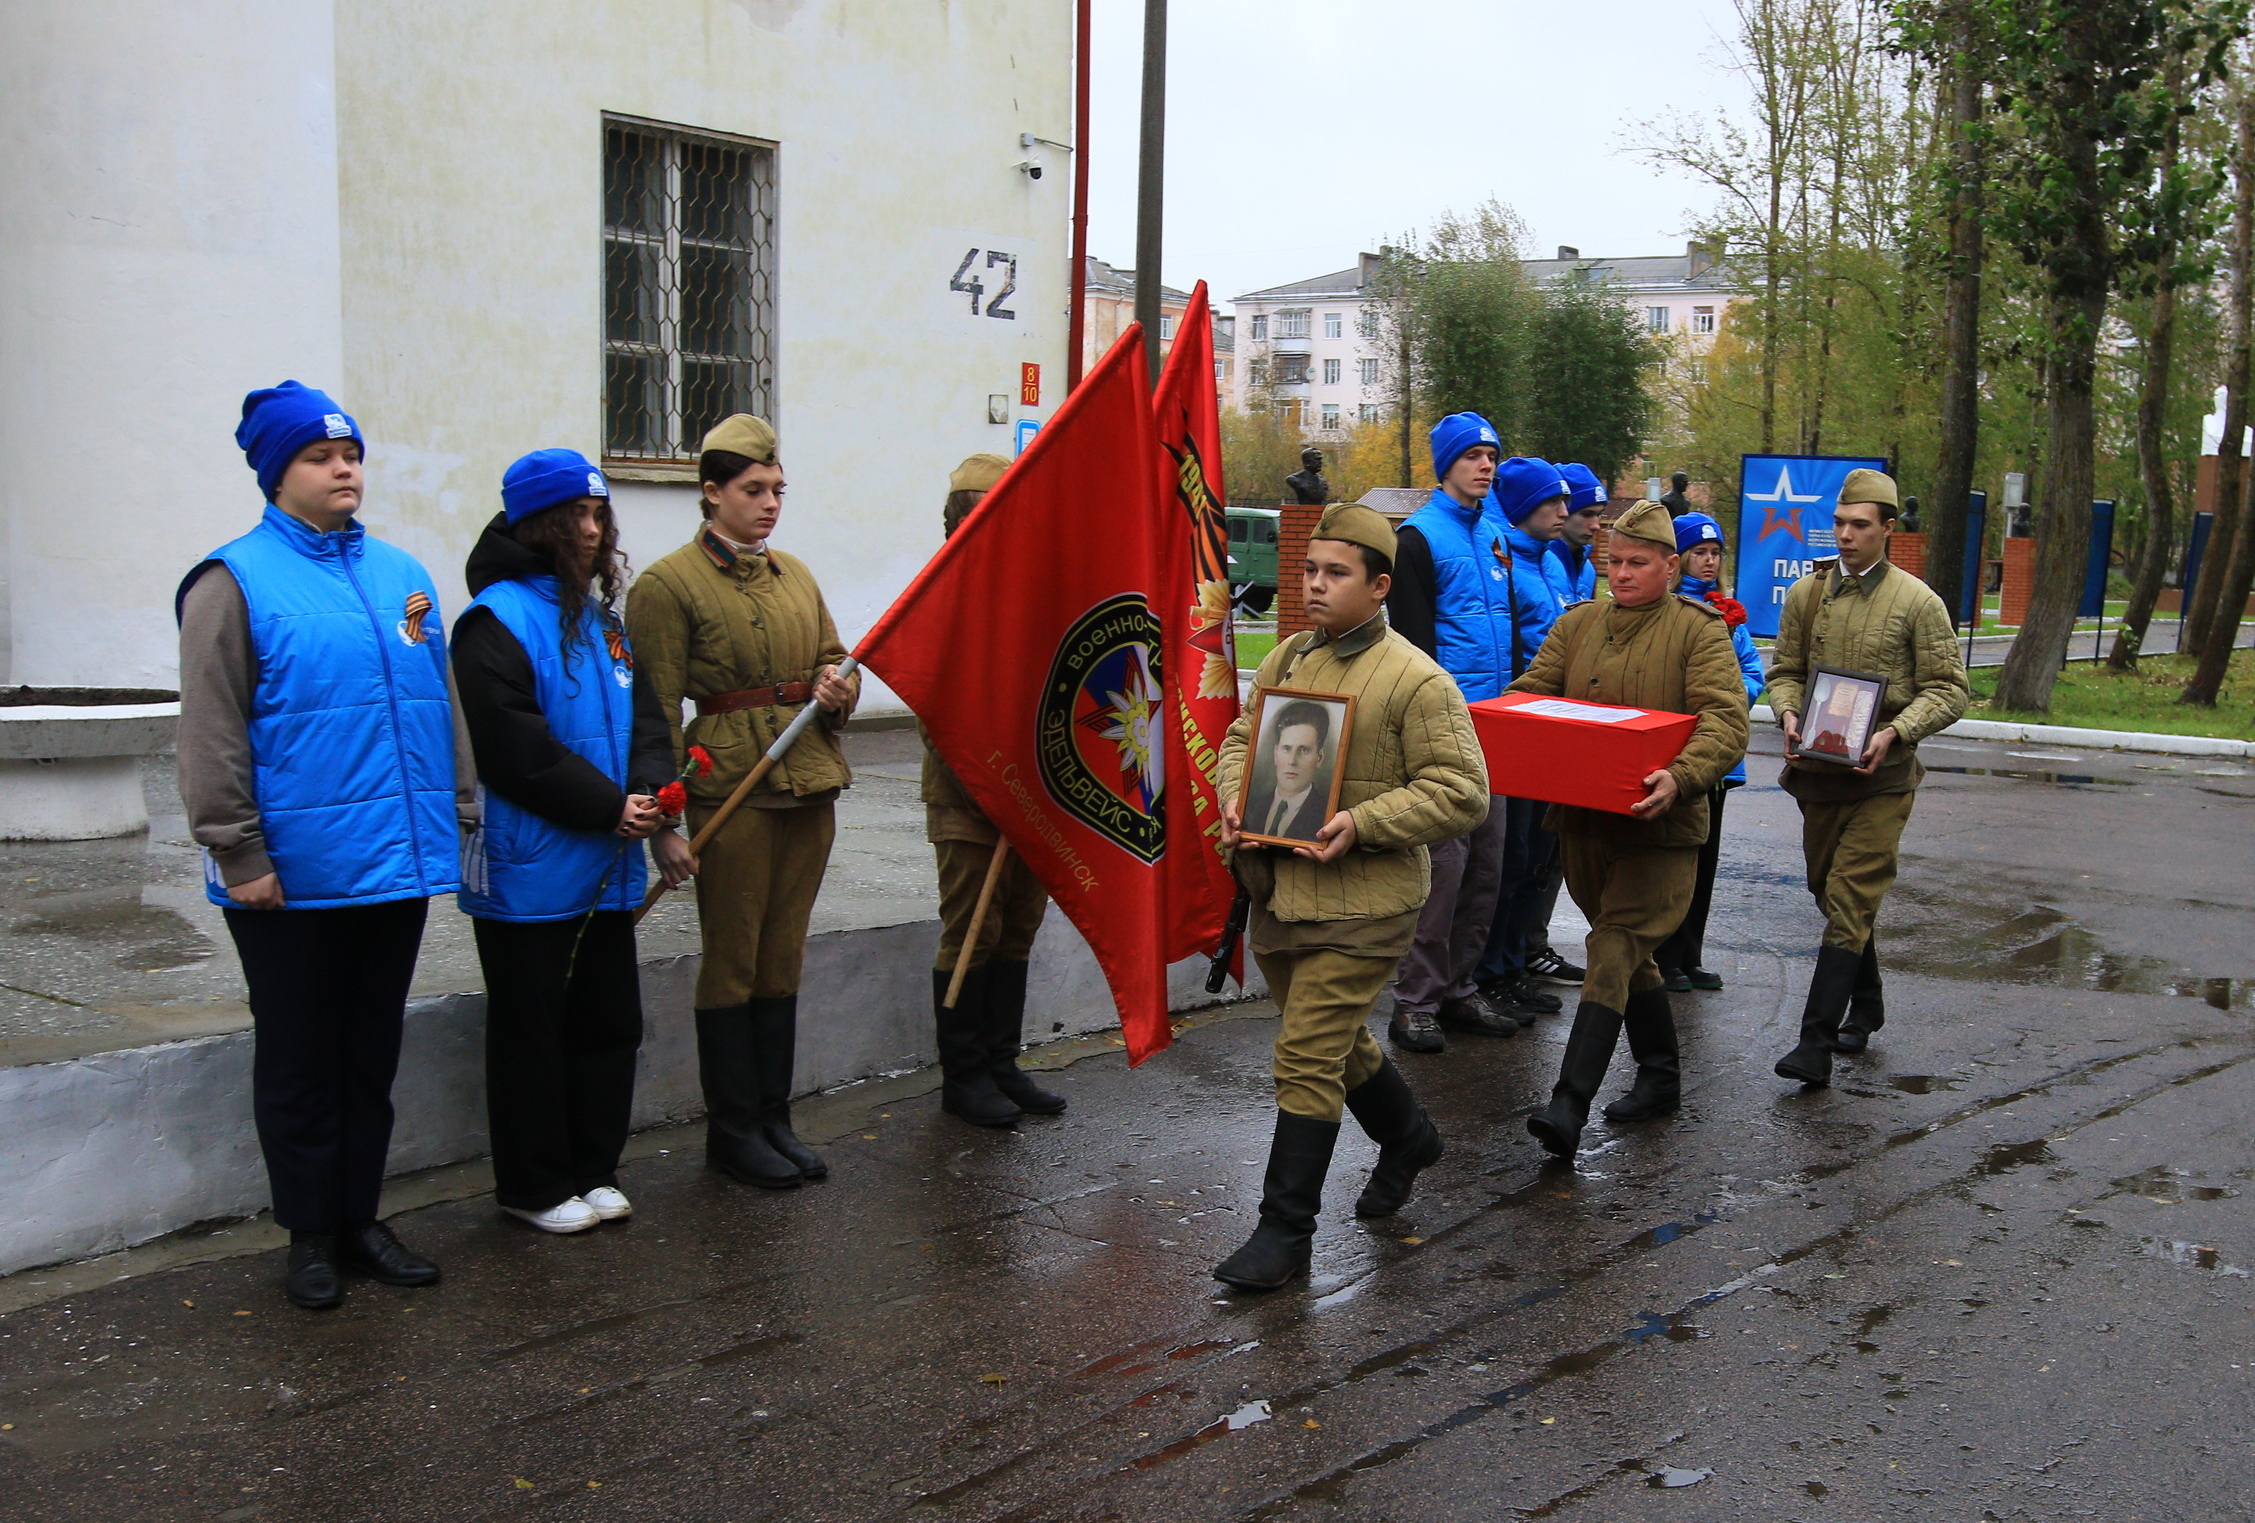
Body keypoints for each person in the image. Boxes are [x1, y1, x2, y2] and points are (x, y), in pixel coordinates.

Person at [177, 381, 458, 1310]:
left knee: (368, 1057)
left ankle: (359, 1219)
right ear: (276, 472)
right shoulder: (233, 582)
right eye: (318, 457)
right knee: (300, 1062)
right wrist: (238, 853)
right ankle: (307, 1234)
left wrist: (456, 813)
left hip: (392, 867)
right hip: (291, 880)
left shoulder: (401, 575)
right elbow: (213, 732)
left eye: (351, 454)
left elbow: (436, 709)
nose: (343, 470)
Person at [1214, 505, 1488, 1290]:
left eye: (1335, 573)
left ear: (1379, 586)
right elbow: (1240, 739)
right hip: (1278, 890)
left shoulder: (1417, 679)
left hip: (1365, 903)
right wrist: (1236, 798)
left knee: (1304, 1054)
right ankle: (1408, 1137)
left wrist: (1363, 822)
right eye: (1307, 571)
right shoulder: (1289, 657)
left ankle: (1284, 1232)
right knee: (1334, 1042)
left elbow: (1462, 791)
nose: (1314, 586)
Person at [452, 449, 694, 1232]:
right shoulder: (494, 619)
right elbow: (513, 746)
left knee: (606, 1024)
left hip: (606, 862)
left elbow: (648, 721)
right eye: (577, 518)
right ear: (537, 524)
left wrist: (653, 794)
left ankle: (593, 1166)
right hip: (530, 870)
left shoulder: (601, 620)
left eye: (599, 517)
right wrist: (605, 807)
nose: (592, 532)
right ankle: (532, 1182)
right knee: (533, 1033)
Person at [625, 414, 861, 1188]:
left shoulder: (794, 574)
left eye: (777, 490)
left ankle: (773, 1117)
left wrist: (837, 689)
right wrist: (662, 824)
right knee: (733, 959)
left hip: (808, 778)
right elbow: (655, 712)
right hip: (731, 787)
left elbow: (837, 660)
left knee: (782, 955)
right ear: (710, 494)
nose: (768, 503)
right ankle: (732, 1131)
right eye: (752, 489)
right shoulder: (666, 585)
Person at [1507, 501, 1750, 1157]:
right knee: (1627, 953)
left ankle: (1567, 1102)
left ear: (1670, 566)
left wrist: (1681, 774)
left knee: (1612, 945)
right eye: (1612, 561)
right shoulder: (1578, 623)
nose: (1621, 574)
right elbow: (1533, 693)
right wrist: (1504, 725)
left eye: (1636, 562)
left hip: (1660, 830)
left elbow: (1725, 721)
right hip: (1584, 824)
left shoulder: (1698, 632)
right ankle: (1661, 1075)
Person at [1766, 469, 1969, 1085]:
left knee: (1852, 894)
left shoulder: (1916, 601)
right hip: (1820, 776)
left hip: (1883, 778)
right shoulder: (1808, 595)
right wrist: (1789, 713)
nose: (1847, 536)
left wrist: (1895, 732)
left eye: (1861, 525)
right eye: (1840, 524)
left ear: (1887, 529)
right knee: (1832, 893)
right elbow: (1785, 671)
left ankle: (1814, 1044)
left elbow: (1949, 688)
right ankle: (1869, 1002)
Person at [922, 454, 1066, 1128]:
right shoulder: (938, 595)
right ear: (952, 524)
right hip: (967, 800)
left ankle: (1001, 1061)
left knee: (1015, 929)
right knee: (971, 934)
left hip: (1028, 799)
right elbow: (937, 705)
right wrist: (988, 785)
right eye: (972, 516)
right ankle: (964, 1075)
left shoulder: (1028, 593)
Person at [1382, 414, 1518, 1052]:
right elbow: (1409, 645)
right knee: (1443, 866)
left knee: (1486, 865)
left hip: (1498, 725)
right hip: (1444, 726)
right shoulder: (1416, 539)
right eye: (1472, 456)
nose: (1486, 465)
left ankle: (1460, 988)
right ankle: (1415, 1001)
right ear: (1446, 466)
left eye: (1491, 455)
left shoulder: (1497, 535)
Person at [1464, 456, 1577, 1028]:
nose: (1564, 512)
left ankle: (1513, 967)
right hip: (1517, 727)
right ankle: (1493, 971)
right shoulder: (1509, 563)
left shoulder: (1551, 564)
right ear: (1521, 506)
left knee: (1532, 857)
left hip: (1549, 729)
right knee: (1506, 861)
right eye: (1550, 502)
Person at [1653, 513, 1766, 992]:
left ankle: (1690, 953)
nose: (1709, 561)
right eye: (1699, 552)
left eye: (1715, 553)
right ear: (1679, 559)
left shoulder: (1730, 614)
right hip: (1680, 755)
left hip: (1721, 757)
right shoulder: (1673, 612)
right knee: (1672, 862)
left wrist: (1728, 693)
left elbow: (1753, 672)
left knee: (1704, 860)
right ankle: (1665, 955)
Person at [1242, 699, 1338, 842]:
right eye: (1286, 749)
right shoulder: (1250, 808)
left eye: (1303, 750)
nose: (1292, 761)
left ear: (1319, 757)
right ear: (1275, 754)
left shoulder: (1328, 816)